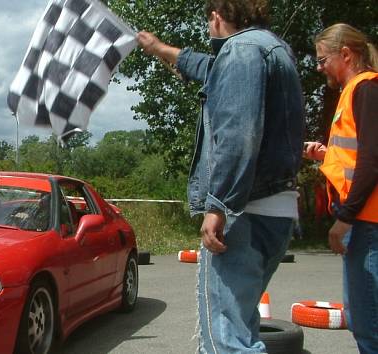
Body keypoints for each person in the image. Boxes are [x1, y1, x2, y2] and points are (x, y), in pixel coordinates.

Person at [137, 0, 305, 352]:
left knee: (226, 342)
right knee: (240, 326)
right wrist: (159, 49)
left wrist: (219, 207)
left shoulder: (240, 52)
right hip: (276, 210)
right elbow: (206, 67)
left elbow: (238, 134)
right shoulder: (272, 48)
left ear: (215, 16)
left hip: (245, 212)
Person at [304, 23, 378, 353]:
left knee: (368, 325)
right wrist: (326, 154)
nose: (320, 69)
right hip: (364, 221)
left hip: (366, 222)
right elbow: (357, 155)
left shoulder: (366, 88)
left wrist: (345, 218)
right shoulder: (356, 91)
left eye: (323, 60)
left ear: (346, 54)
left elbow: (372, 160)